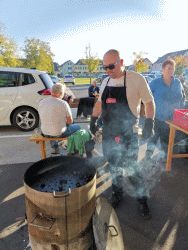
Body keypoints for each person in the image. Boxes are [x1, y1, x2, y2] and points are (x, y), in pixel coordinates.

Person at [90, 49, 155, 219]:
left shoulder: (136, 79)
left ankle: (142, 200)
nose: (108, 70)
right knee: (113, 166)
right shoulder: (105, 82)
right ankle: (117, 193)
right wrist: (93, 119)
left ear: (121, 62)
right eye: (105, 67)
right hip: (109, 133)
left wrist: (149, 121)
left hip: (128, 133)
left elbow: (149, 102)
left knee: (133, 169)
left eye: (111, 66)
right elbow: (99, 103)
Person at [145, 59, 186, 160]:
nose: (170, 71)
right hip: (157, 117)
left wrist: (180, 112)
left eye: (172, 69)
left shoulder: (177, 83)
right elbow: (147, 99)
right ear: (162, 70)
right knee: (153, 139)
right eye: (168, 68)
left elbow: (183, 97)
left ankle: (165, 159)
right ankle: (147, 158)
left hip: (171, 120)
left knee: (167, 141)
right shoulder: (154, 83)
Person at [38, 83, 81, 154]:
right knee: (77, 127)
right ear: (61, 93)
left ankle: (55, 148)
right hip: (59, 133)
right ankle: (74, 149)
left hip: (44, 132)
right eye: (63, 93)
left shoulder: (41, 102)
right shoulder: (63, 103)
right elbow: (70, 121)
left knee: (53, 126)